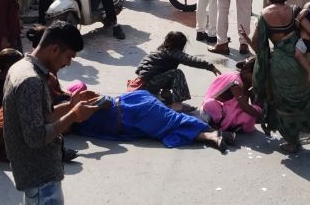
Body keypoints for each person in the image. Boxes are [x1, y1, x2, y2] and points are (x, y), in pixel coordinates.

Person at [3, 22, 97, 204]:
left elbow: (40, 117)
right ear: (54, 50)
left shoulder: (21, 67)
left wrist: (71, 105)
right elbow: (36, 137)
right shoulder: (31, 81)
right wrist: (74, 115)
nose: (68, 63)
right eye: (68, 57)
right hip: (41, 179)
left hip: (37, 177)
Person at [242, 0, 310, 155]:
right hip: (298, 63)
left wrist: (248, 40)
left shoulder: (263, 15)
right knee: (298, 100)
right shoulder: (295, 10)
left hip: (279, 64)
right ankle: (299, 133)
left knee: (282, 103)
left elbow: (258, 47)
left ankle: (291, 141)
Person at [68, 80, 229, 151]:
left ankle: (212, 131)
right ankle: (212, 135)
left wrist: (92, 106)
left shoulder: (82, 101)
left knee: (173, 121)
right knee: (167, 132)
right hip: (130, 125)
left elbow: (106, 101)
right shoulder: (70, 120)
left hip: (134, 108)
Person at [135, 31, 220, 110]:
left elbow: (139, 69)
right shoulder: (173, 52)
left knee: (169, 68)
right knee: (176, 73)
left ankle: (165, 95)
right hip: (149, 84)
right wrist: (210, 67)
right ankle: (177, 105)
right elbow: (191, 60)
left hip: (143, 83)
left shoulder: (158, 51)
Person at [202, 57, 262, 134]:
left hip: (230, 110)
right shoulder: (236, 83)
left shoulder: (246, 81)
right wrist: (261, 117)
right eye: (255, 76)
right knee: (210, 104)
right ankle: (223, 124)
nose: (257, 80)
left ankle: (231, 124)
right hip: (215, 112)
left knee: (254, 113)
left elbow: (245, 103)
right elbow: (244, 106)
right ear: (246, 71)